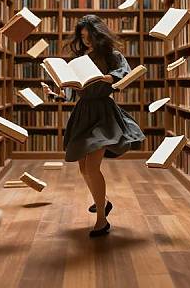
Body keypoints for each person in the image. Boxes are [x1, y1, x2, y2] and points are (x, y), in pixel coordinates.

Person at [42, 14, 145, 237]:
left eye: (89, 37)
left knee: (91, 167)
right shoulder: (78, 59)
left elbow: (125, 74)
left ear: (98, 35)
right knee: (82, 168)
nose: (86, 41)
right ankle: (104, 202)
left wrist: (110, 78)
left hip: (102, 113)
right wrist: (54, 94)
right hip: (83, 113)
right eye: (83, 37)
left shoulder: (111, 55)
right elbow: (71, 92)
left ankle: (101, 220)